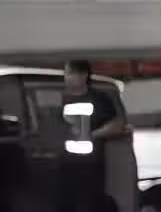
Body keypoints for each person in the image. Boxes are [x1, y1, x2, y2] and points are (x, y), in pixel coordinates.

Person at [57, 60, 124, 212]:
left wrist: (92, 134)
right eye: (67, 73)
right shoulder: (60, 98)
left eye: (70, 73)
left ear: (83, 75)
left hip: (91, 163)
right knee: (65, 202)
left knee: (92, 202)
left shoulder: (98, 98)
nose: (67, 77)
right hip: (64, 162)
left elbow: (117, 124)